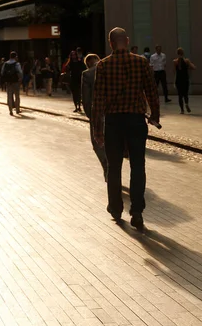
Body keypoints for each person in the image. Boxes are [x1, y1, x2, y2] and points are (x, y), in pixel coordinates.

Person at [93, 27, 160, 231]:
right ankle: (137, 210)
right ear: (128, 41)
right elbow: (151, 91)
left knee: (114, 167)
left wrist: (97, 129)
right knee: (138, 166)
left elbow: (97, 101)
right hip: (136, 120)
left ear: (111, 43)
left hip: (113, 122)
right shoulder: (141, 62)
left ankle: (115, 208)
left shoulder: (103, 65)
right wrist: (155, 115)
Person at [82, 54, 108, 181]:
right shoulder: (109, 68)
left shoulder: (87, 74)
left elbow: (86, 100)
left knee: (97, 143)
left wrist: (90, 116)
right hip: (114, 112)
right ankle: (113, 168)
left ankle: (106, 166)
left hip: (97, 114)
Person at [174, 48, 196, 114]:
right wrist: (189, 67)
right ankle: (186, 103)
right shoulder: (186, 61)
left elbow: (174, 71)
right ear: (183, 53)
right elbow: (193, 67)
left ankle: (182, 110)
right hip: (185, 79)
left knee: (180, 95)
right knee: (185, 94)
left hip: (178, 80)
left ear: (177, 54)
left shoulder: (175, 61)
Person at [1, 52, 22, 116]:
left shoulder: (5, 63)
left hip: (8, 82)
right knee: (17, 96)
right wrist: (20, 78)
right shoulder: (17, 64)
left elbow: (2, 72)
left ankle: (10, 110)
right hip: (15, 81)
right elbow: (20, 72)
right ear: (15, 57)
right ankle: (17, 109)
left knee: (9, 96)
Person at [67, 48, 86, 112]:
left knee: (79, 93)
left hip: (79, 79)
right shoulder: (70, 63)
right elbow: (67, 70)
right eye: (72, 55)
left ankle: (79, 107)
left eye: (74, 55)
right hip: (73, 79)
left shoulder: (80, 62)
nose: (73, 56)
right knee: (74, 94)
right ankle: (76, 106)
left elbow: (84, 68)